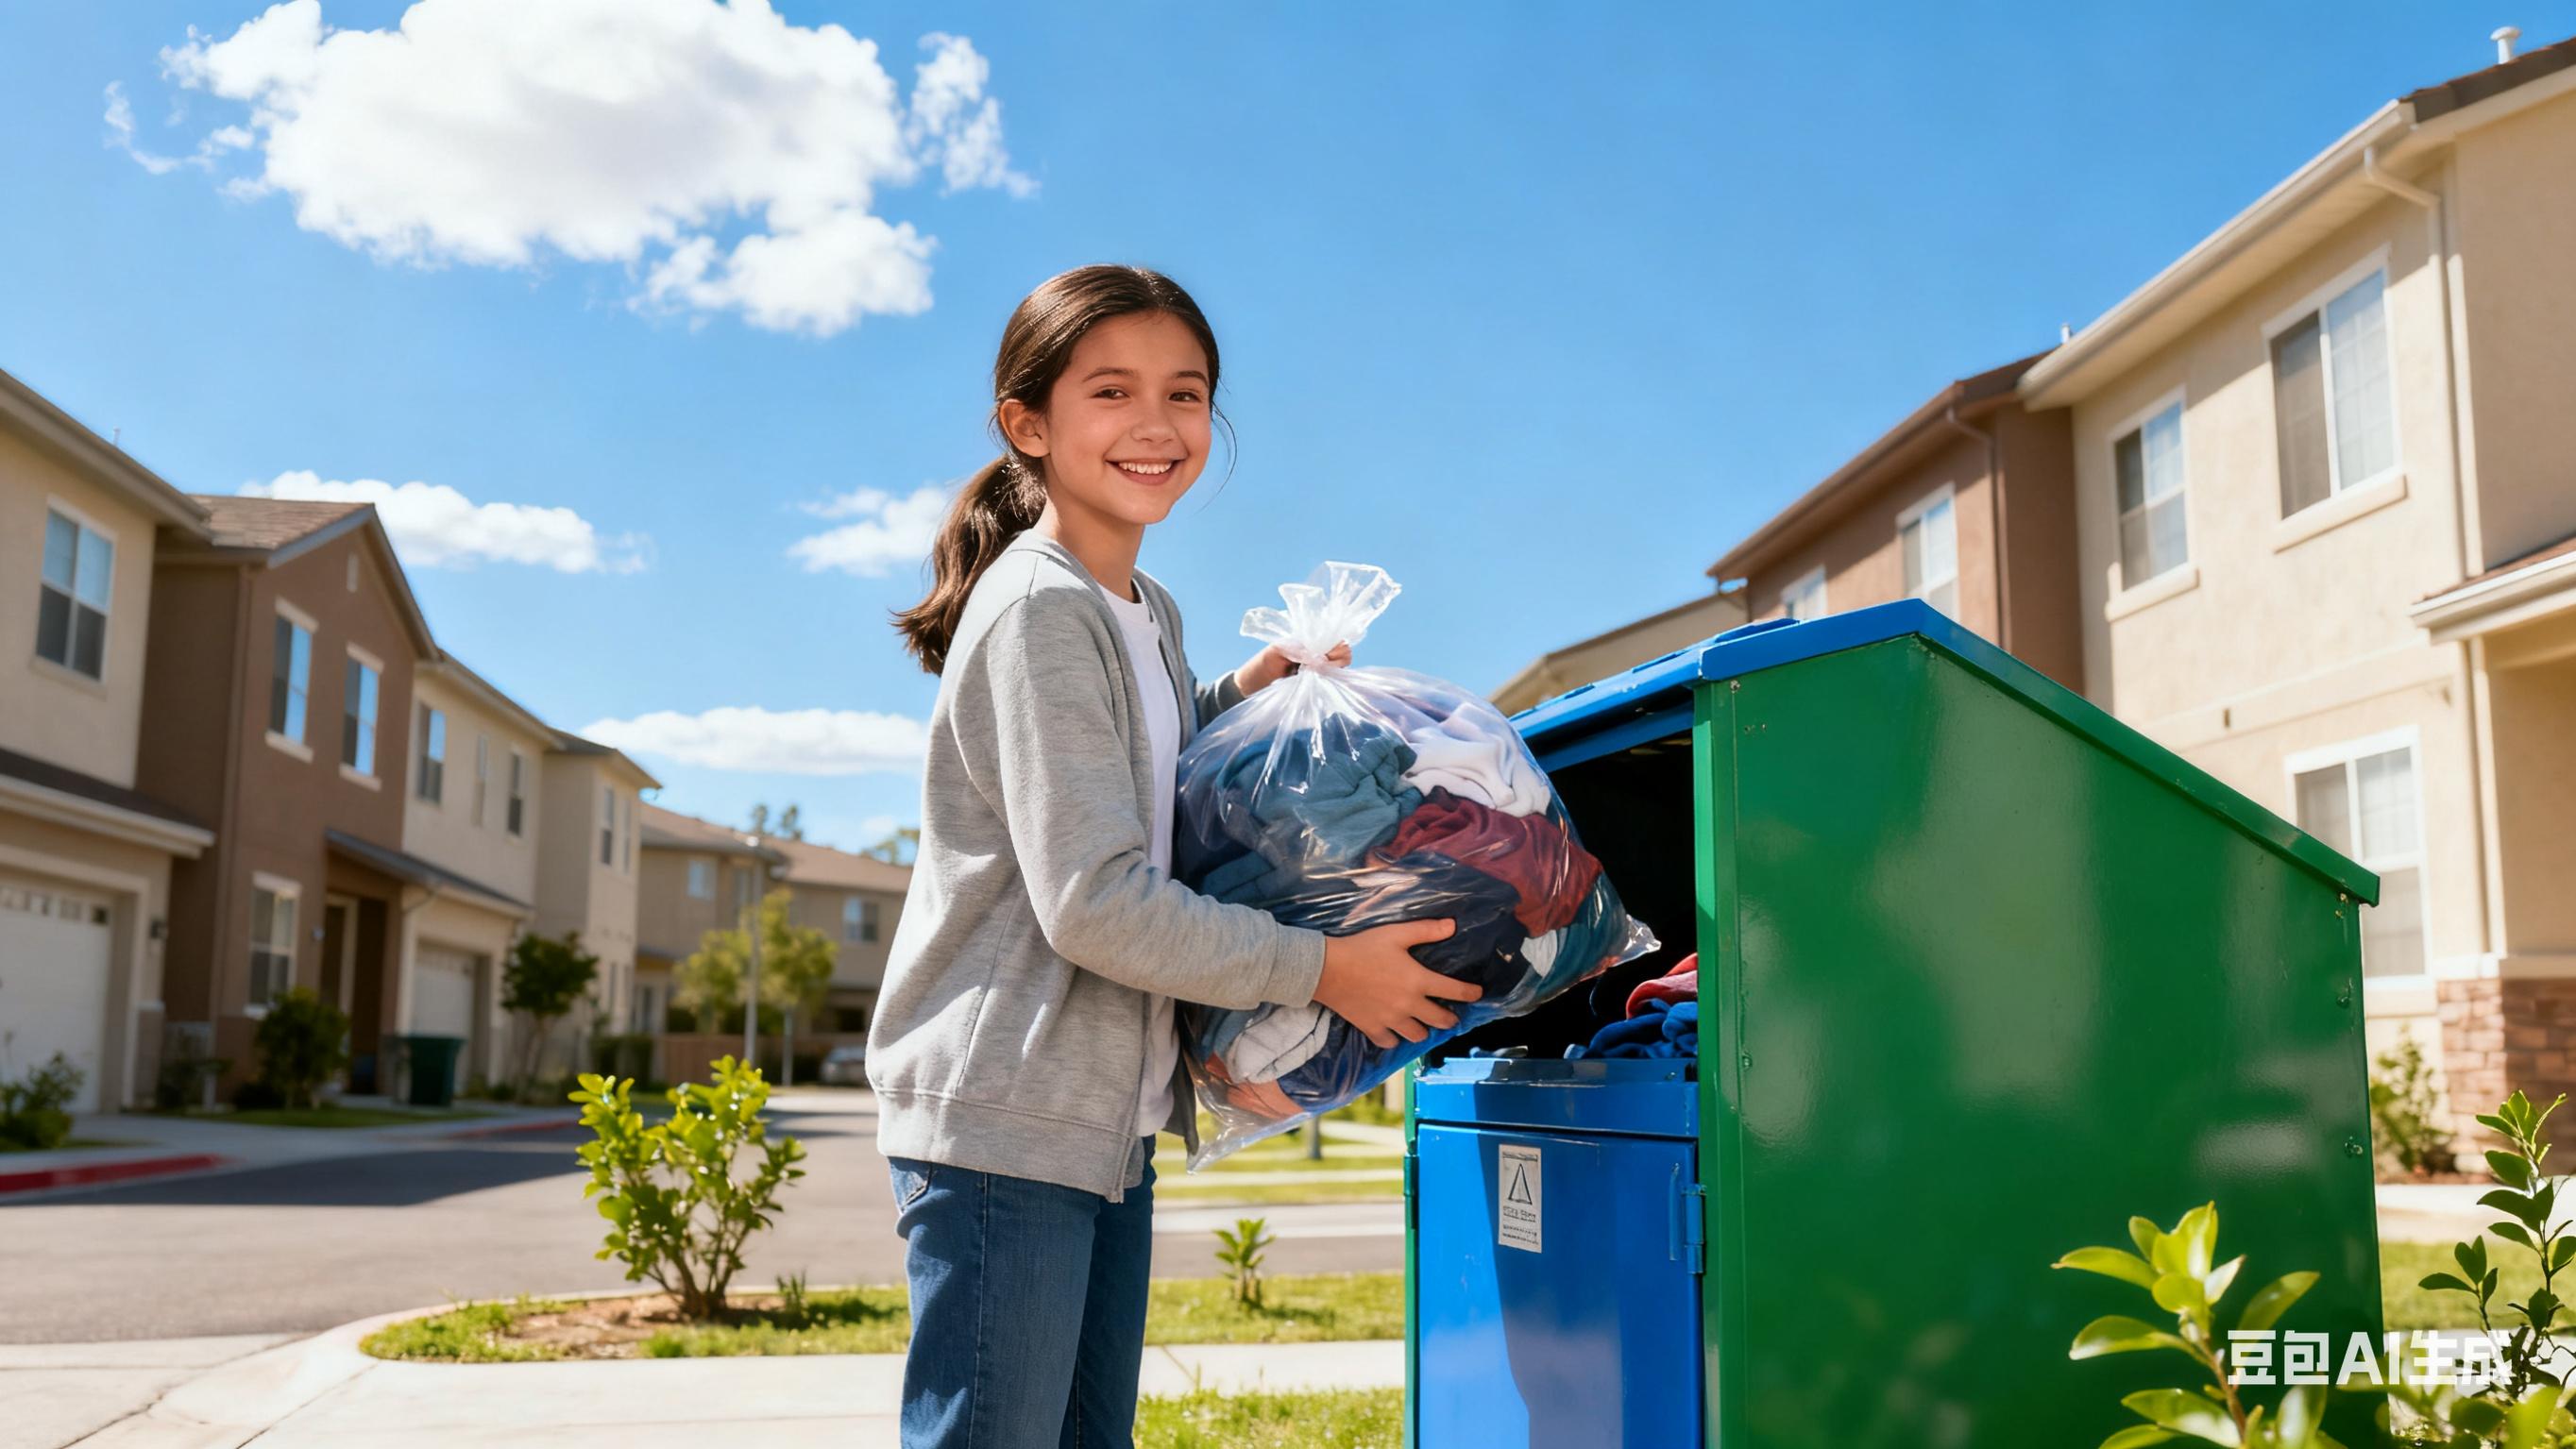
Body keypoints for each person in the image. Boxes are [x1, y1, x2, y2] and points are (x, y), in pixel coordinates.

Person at [867, 263, 1479, 1449]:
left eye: (1186, 393)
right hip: (1007, 1114)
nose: (1156, 425)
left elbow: (1141, 762)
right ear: (1027, 425)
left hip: (1095, 1115)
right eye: (1111, 391)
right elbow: (1095, 902)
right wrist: (1327, 968)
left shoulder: (1138, 606)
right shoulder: (1041, 608)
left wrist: (1242, 692)